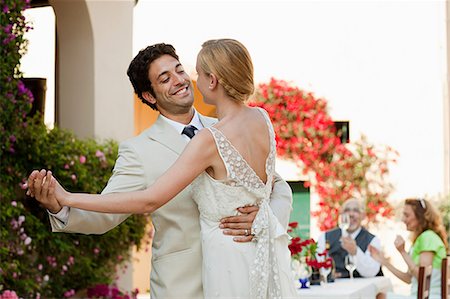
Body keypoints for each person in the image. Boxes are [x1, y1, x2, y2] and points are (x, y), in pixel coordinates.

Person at [27, 42, 294, 298]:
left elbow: (276, 185)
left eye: (180, 70)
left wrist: (264, 218)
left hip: (243, 274)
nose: (179, 80)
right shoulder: (138, 151)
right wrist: (59, 206)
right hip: (180, 288)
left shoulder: (227, 126)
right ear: (149, 96)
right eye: (165, 79)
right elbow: (106, 216)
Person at [369, 198, 448, 299]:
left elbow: (422, 278)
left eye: (407, 215)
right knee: (379, 295)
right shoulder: (422, 239)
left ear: (420, 217)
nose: (403, 219)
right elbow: (409, 279)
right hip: (419, 296)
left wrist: (402, 252)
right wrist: (384, 262)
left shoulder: (428, 237)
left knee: (380, 296)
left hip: (431, 297)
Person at [317, 198, 383, 278]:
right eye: (347, 210)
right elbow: (319, 265)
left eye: (356, 210)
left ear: (363, 216)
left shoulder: (372, 240)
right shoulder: (325, 237)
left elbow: (372, 272)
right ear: (341, 214)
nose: (351, 214)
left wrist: (355, 252)